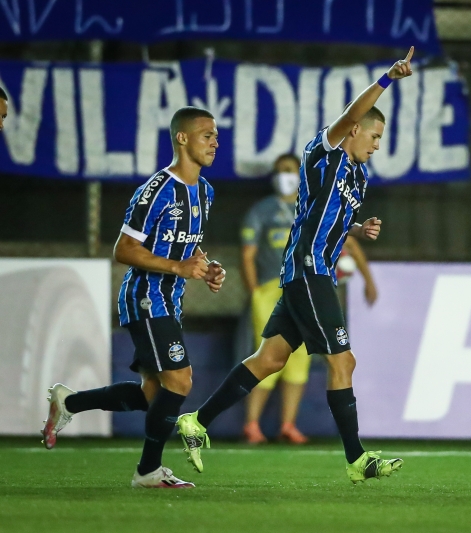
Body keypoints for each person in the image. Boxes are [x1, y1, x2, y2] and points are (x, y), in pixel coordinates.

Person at [177, 47, 415, 483]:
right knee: (344, 363)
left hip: (311, 272)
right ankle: (357, 460)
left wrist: (359, 228)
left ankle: (196, 421)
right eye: (375, 137)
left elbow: (328, 218)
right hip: (309, 271)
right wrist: (386, 79)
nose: (378, 145)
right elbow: (349, 112)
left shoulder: (359, 177)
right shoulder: (324, 153)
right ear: (354, 130)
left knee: (269, 359)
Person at [41, 107, 227, 489]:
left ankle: (69, 402)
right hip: (145, 296)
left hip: (169, 301)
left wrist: (206, 267)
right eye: (206, 134)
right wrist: (177, 269)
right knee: (180, 381)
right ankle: (147, 471)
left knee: (152, 395)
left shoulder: (205, 192)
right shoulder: (157, 189)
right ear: (182, 138)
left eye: (215, 136)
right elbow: (123, 250)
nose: (214, 141)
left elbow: (186, 246)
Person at [240, 155, 379, 444]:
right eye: (279, 172)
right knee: (267, 358)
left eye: (289, 171)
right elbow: (247, 255)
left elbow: (348, 238)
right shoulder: (262, 210)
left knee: (298, 360)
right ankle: (251, 424)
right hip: (271, 288)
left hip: (305, 286)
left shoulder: (314, 202)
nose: (284, 177)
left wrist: (368, 278)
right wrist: (254, 291)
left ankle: (287, 425)